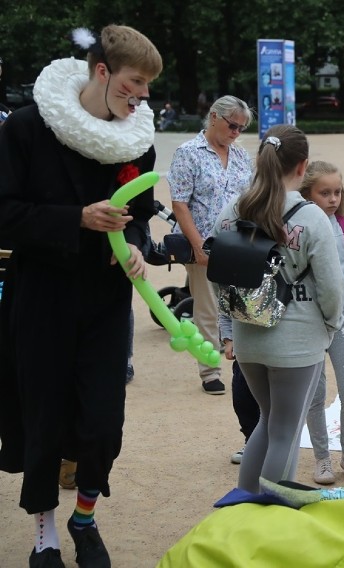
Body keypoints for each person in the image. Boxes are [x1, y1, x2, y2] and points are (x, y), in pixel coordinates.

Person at [0, 24, 162, 567]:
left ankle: (84, 518)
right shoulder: (26, 128)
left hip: (106, 301)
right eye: (133, 83)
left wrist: (135, 245)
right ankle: (44, 534)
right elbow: (5, 214)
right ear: (101, 72)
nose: (141, 96)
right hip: (42, 296)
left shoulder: (139, 141)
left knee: (102, 423)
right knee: (44, 415)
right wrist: (77, 219)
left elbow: (138, 216)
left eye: (146, 87)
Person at [212, 125, 344, 493]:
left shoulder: (234, 208)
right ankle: (271, 517)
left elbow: (217, 271)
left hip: (249, 338)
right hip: (298, 340)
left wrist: (231, 325)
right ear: (302, 166)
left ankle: (244, 508)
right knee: (286, 430)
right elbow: (333, 288)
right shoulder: (312, 216)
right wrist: (332, 326)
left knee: (266, 423)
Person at [167, 95, 253, 394]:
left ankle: (244, 362)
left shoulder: (241, 155)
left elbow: (251, 199)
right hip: (203, 243)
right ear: (214, 117)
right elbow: (179, 204)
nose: (236, 133)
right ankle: (209, 371)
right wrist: (199, 244)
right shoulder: (188, 153)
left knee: (242, 305)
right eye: (232, 125)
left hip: (239, 244)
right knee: (207, 309)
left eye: (241, 128)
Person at [300, 161, 344, 485]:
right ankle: (322, 459)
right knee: (314, 396)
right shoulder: (298, 229)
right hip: (310, 326)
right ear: (307, 194)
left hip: (343, 326)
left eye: (337, 192)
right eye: (324, 192)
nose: (332, 198)